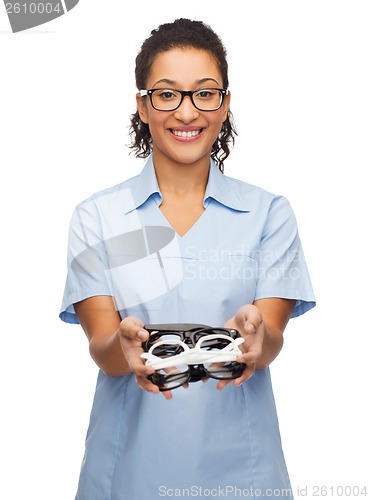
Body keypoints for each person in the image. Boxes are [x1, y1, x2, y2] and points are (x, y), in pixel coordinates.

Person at [60, 18, 315, 500]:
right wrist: (124, 345)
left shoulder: (268, 214)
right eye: (166, 93)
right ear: (142, 105)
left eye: (204, 92)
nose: (186, 111)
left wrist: (257, 337)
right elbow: (102, 348)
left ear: (225, 104)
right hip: (126, 476)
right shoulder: (97, 217)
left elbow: (272, 341)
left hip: (243, 475)